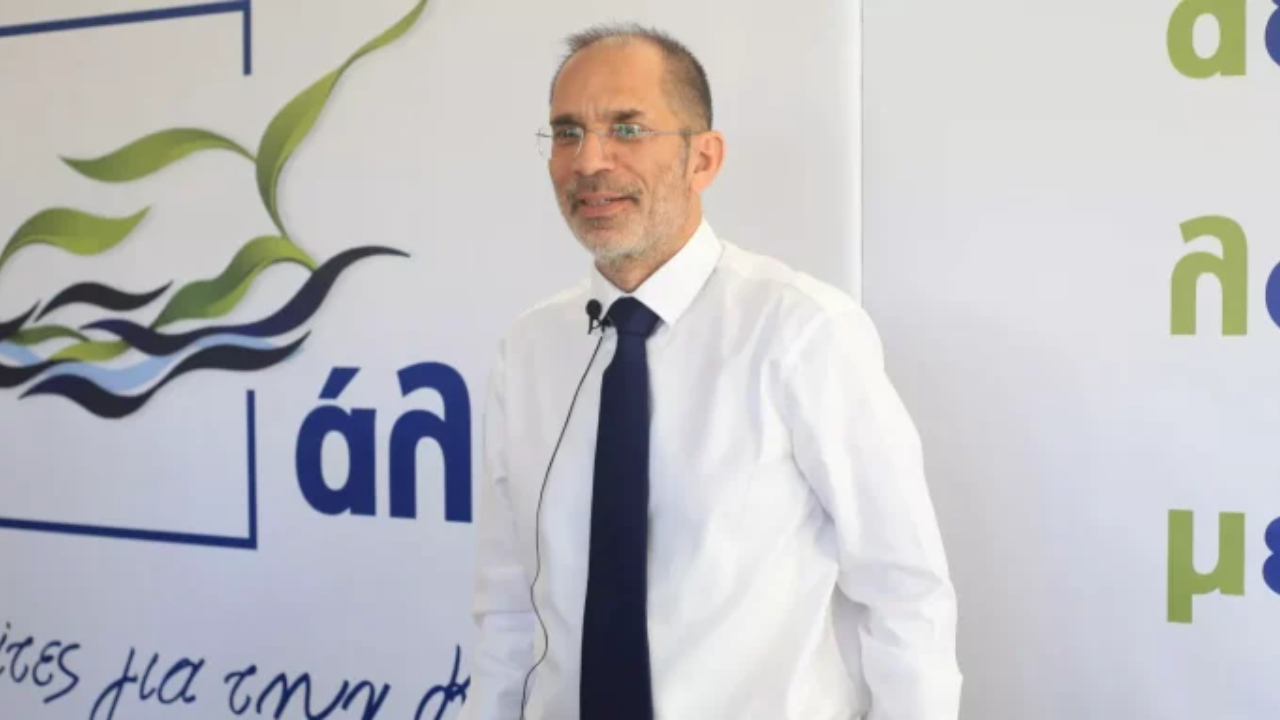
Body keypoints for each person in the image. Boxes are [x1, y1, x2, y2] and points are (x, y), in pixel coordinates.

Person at [460, 23, 961, 720]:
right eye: (568, 132)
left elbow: (904, 597)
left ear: (703, 158)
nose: (590, 161)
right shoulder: (529, 350)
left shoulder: (801, 331)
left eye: (627, 129)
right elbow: (510, 611)